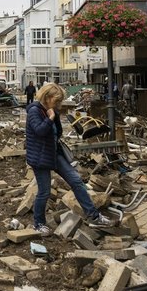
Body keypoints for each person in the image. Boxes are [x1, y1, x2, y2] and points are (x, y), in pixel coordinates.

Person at [25, 82, 113, 236]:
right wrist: (50, 118)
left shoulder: (53, 111)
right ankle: (38, 224)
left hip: (54, 153)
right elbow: (40, 131)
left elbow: (57, 132)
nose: (59, 104)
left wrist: (54, 118)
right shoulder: (34, 111)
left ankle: (94, 216)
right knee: (44, 192)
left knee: (76, 181)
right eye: (56, 100)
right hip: (39, 157)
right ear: (48, 97)